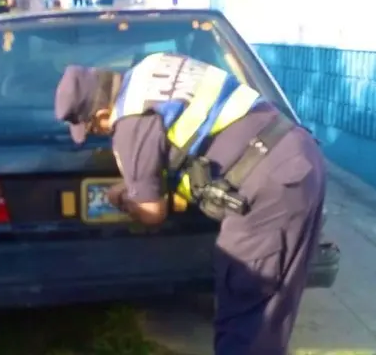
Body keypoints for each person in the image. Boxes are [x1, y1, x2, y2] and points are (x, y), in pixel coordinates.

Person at [54, 53, 326, 355]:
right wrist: (132, 183)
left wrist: (125, 198)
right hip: (296, 155)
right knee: (271, 312)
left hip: (269, 186)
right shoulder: (151, 67)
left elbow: (152, 213)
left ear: (101, 114)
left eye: (93, 129)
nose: (102, 134)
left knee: (245, 314)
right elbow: (181, 136)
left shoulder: (130, 122)